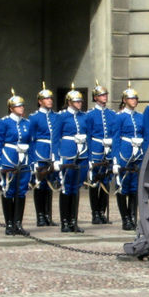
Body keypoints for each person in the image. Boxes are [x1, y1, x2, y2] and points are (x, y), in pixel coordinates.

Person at [0, 89, 33, 236]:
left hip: (23, 159)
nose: (21, 108)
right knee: (9, 191)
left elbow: (31, 142)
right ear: (11, 108)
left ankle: (18, 223)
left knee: (21, 191)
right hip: (9, 157)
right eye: (18, 106)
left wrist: (32, 161)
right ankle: (9, 223)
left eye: (22, 106)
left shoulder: (27, 123)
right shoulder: (4, 123)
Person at [54, 85, 89, 233]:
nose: (79, 103)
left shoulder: (84, 117)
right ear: (69, 102)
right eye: (76, 101)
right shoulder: (61, 116)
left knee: (76, 187)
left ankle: (73, 221)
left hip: (82, 153)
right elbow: (55, 138)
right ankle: (65, 222)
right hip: (67, 152)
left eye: (80, 101)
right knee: (66, 187)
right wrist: (55, 157)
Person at [85, 81, 119, 225]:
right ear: (95, 97)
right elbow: (88, 135)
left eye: (105, 95)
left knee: (105, 181)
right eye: (101, 95)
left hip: (108, 149)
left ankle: (102, 212)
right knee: (95, 182)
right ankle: (95, 213)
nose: (104, 97)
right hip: (96, 148)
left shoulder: (112, 114)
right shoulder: (90, 115)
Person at [28, 83, 58, 227]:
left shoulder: (56, 116)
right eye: (46, 99)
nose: (50, 101)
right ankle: (40, 215)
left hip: (52, 152)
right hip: (40, 151)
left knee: (50, 185)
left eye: (51, 98)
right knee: (39, 185)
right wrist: (33, 159)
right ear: (40, 101)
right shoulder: (34, 117)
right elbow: (31, 139)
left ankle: (48, 215)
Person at [113, 84, 143, 231]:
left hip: (138, 154)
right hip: (124, 153)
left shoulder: (140, 117)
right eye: (131, 98)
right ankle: (125, 218)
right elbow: (116, 138)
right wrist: (115, 160)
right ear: (125, 100)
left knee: (134, 188)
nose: (134, 100)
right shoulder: (119, 117)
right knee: (122, 187)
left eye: (136, 98)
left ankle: (132, 217)